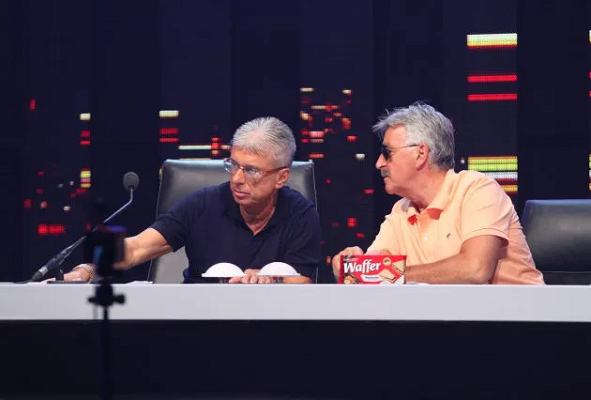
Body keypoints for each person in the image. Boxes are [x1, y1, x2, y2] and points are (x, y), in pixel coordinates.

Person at [65, 117, 321, 284]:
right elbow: (136, 248)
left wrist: (270, 281)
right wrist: (87, 270)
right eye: (233, 165)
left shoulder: (300, 215)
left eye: (251, 170)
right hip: (197, 323)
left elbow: (301, 284)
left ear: (281, 177)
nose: (237, 179)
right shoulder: (202, 204)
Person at [333, 102, 544, 284]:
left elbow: (475, 269)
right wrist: (353, 265)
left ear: (420, 153)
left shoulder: (477, 189)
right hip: (453, 316)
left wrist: (391, 273)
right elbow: (373, 272)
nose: (379, 163)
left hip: (521, 316)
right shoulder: (401, 211)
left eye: (387, 153)